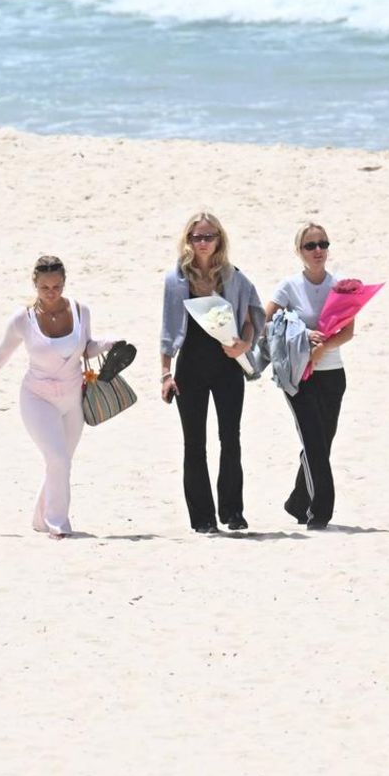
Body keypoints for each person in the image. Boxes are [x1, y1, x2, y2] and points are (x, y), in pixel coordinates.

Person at [0, 254, 117, 537]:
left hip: (74, 399)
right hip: (37, 398)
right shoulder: (22, 320)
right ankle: (58, 523)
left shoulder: (81, 310)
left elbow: (86, 348)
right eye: (45, 287)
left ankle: (40, 518)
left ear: (64, 283)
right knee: (58, 459)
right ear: (35, 284)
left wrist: (110, 343)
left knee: (61, 462)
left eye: (57, 286)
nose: (51, 293)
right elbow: (0, 354)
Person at [160, 211, 263, 534]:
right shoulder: (176, 280)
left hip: (227, 365)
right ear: (188, 241)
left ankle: (233, 512)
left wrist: (245, 344)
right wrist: (165, 373)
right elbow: (167, 329)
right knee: (195, 443)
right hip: (189, 364)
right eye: (196, 237)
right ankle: (202, 518)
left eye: (209, 236)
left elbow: (252, 316)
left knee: (230, 438)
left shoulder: (233, 276)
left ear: (219, 239)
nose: (203, 243)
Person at [265, 222, 354, 530]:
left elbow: (348, 332)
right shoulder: (288, 286)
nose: (318, 251)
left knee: (323, 442)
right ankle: (321, 512)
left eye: (323, 244)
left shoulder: (340, 284)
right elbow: (267, 324)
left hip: (332, 373)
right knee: (314, 442)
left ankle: (297, 501)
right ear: (298, 251)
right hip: (298, 376)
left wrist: (322, 348)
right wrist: (303, 336)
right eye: (310, 246)